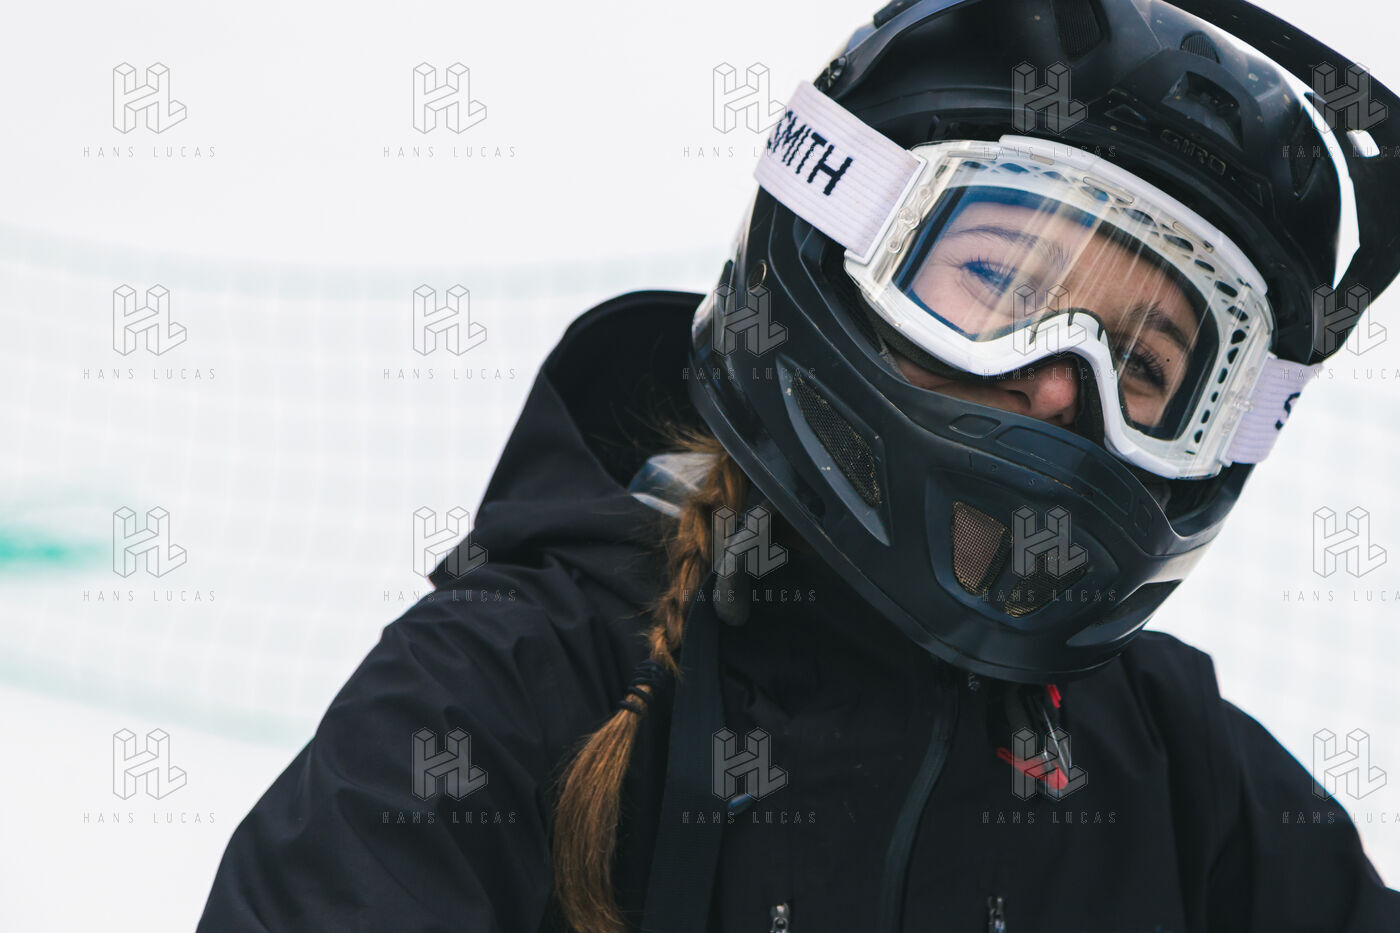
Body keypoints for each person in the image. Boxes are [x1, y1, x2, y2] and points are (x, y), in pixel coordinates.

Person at [196, 1, 1400, 930]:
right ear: (830, 244)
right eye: (995, 282)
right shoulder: (507, 689)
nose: (1054, 384)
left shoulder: (1169, 768)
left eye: (1141, 364)